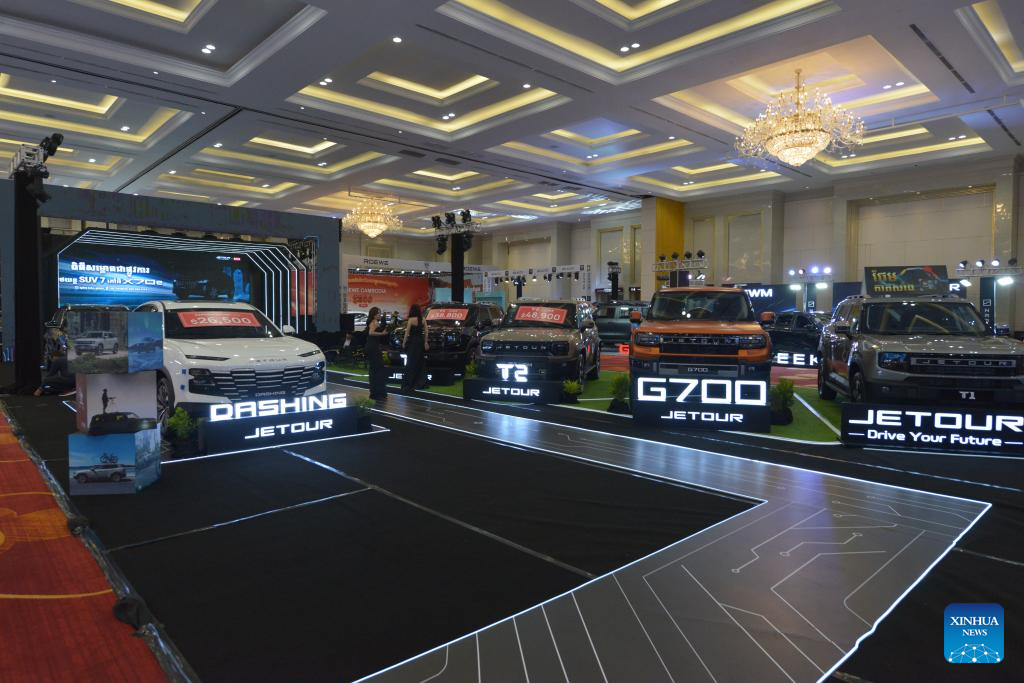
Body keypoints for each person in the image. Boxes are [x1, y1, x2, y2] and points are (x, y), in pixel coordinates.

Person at [401, 303, 429, 392]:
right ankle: (420, 382)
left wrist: (404, 343)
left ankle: (409, 383)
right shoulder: (423, 319)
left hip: (412, 342)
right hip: (420, 342)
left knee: (410, 362)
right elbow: (426, 332)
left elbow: (407, 333)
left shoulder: (411, 320)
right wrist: (426, 342)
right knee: (420, 362)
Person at [364, 307, 389, 401]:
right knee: (377, 370)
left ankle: (376, 393)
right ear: (374, 314)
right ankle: (377, 393)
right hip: (373, 347)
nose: (380, 315)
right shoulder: (374, 322)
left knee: (376, 370)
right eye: (378, 313)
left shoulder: (375, 322)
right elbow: (371, 333)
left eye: (380, 313)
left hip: (373, 347)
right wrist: (382, 334)